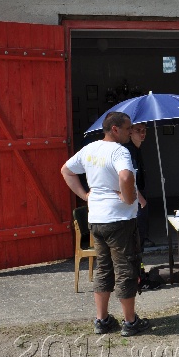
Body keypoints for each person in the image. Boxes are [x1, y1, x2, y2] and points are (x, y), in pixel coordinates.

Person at [60, 111, 151, 337]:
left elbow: (66, 170)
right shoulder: (120, 150)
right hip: (119, 220)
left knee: (103, 268)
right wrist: (129, 199)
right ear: (115, 129)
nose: (131, 132)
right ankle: (130, 322)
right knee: (126, 269)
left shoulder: (90, 149)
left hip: (97, 219)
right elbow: (126, 177)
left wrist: (85, 195)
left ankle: (102, 320)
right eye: (128, 128)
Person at [125, 122, 161, 291]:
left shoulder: (136, 149)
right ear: (130, 132)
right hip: (135, 202)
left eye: (144, 130)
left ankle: (140, 275)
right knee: (137, 241)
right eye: (138, 130)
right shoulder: (129, 151)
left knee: (141, 240)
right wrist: (142, 201)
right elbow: (128, 179)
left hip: (139, 199)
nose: (142, 133)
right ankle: (138, 279)